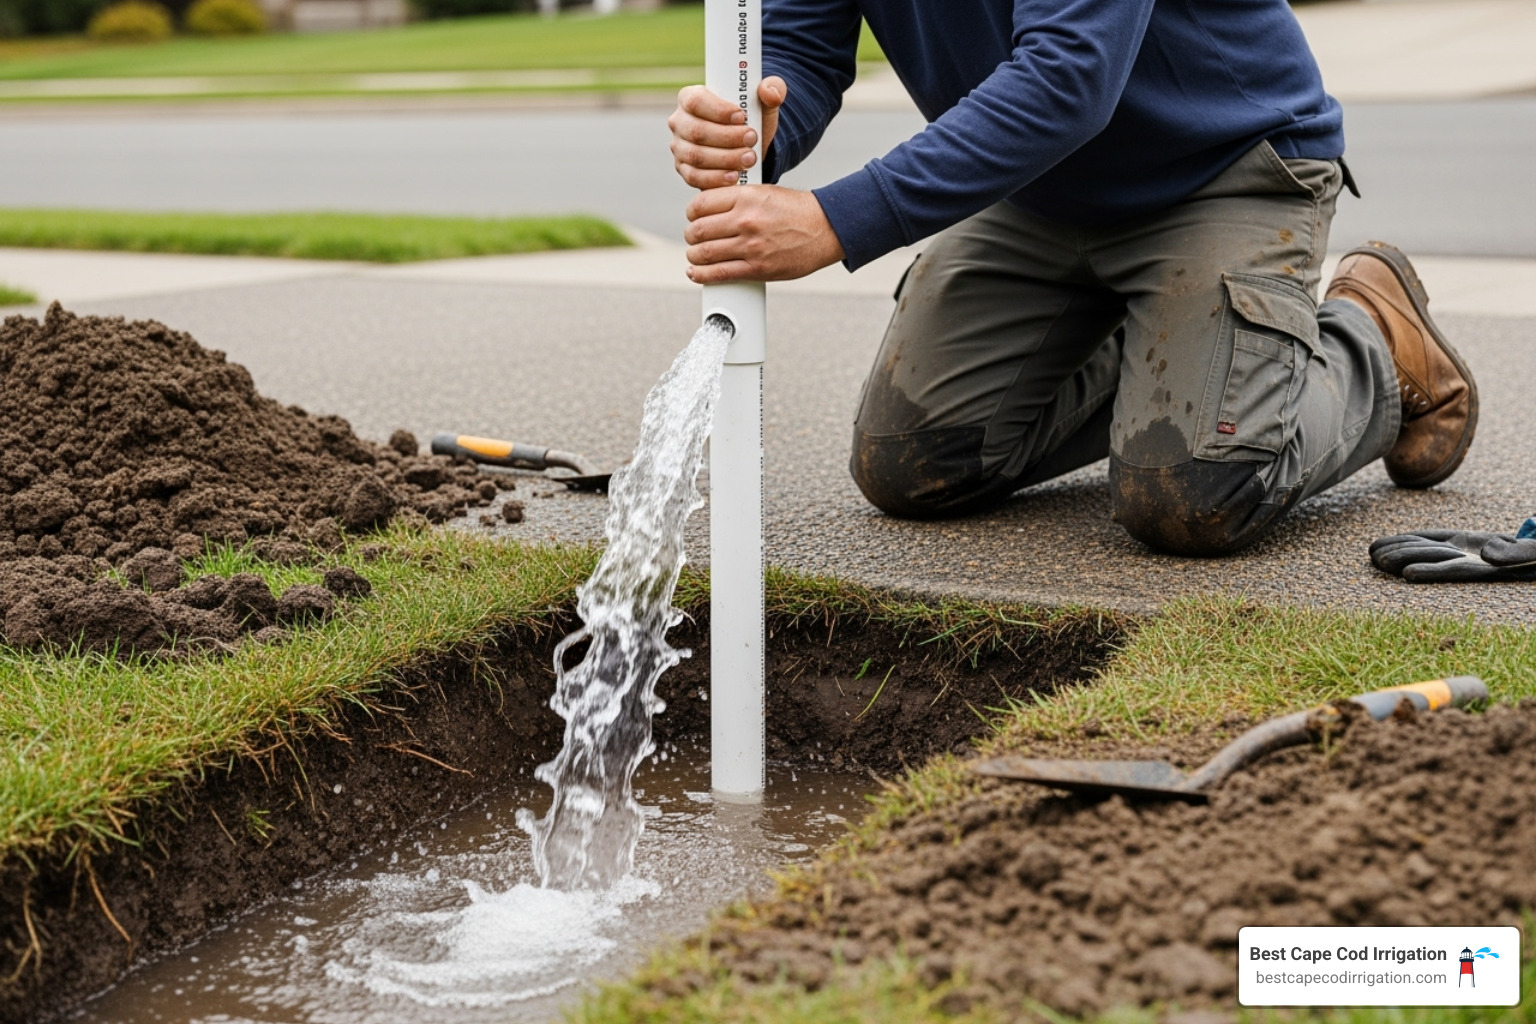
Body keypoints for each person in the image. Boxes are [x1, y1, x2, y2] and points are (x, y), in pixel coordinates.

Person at [668, 0, 1478, 556]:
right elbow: (802, 49)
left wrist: (835, 220)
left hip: (1222, 166)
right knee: (910, 460)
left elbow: (1069, 78)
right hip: (1040, 189)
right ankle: (1184, 338)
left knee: (1190, 492)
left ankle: (1372, 339)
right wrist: (757, 124)